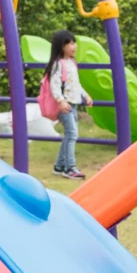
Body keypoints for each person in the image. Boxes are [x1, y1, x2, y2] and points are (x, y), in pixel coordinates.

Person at [45, 29, 94, 179]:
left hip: (73, 104)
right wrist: (60, 101)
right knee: (72, 134)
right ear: (61, 46)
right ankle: (70, 168)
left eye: (74, 43)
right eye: (70, 43)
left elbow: (76, 84)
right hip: (64, 105)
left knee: (69, 135)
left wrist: (85, 95)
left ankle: (59, 166)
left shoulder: (72, 62)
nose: (74, 46)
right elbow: (54, 84)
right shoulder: (58, 64)